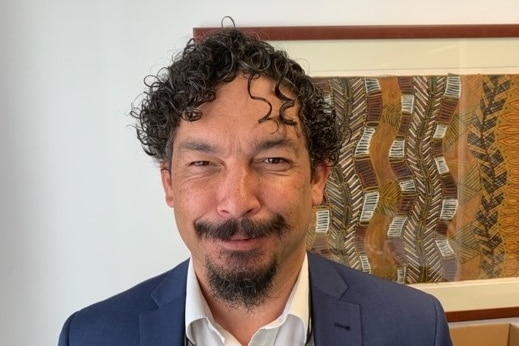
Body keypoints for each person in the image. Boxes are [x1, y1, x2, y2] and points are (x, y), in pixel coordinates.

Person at [58, 28, 453, 346]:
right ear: (170, 183)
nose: (237, 202)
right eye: (203, 164)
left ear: (317, 178)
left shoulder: (415, 328)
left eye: (273, 160)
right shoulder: (90, 336)